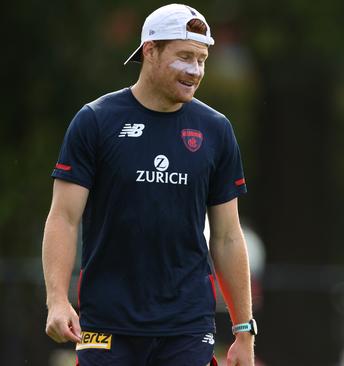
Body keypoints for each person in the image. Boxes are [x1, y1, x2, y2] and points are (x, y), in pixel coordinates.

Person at [42, 4, 256, 365]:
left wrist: (243, 329)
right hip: (106, 323)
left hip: (187, 325)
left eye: (202, 59)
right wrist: (57, 300)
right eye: (185, 56)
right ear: (150, 51)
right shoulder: (95, 121)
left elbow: (228, 236)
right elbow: (63, 217)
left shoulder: (216, 130)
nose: (195, 70)